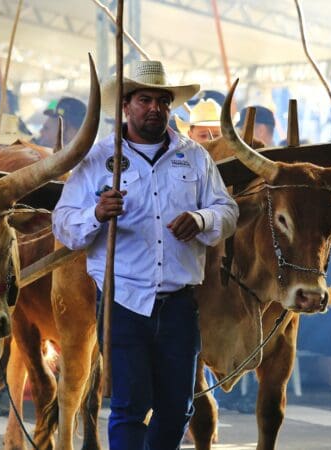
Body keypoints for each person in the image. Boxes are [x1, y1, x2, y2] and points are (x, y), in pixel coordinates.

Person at [52, 60, 238, 450]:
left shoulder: (196, 157)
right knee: (129, 405)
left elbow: (228, 211)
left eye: (162, 101)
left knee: (178, 407)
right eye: (144, 99)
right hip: (123, 301)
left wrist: (202, 220)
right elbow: (63, 224)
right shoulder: (96, 158)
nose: (154, 108)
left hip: (179, 303)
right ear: (126, 105)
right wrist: (97, 214)